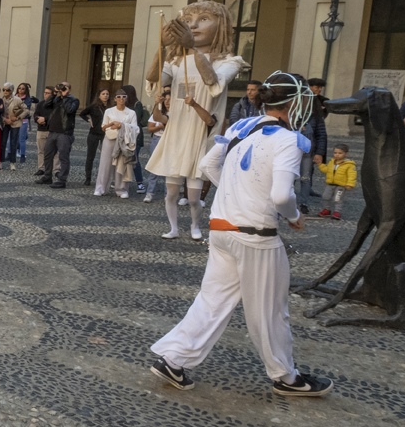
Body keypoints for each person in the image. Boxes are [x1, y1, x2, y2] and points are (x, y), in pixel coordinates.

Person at [150, 71, 332, 397]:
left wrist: (236, 192)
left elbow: (208, 165)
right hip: (255, 235)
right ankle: (286, 377)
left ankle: (174, 358)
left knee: (212, 301)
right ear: (293, 103)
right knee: (270, 310)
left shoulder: (240, 126)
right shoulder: (288, 139)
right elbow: (281, 196)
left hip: (221, 227)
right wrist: (294, 216)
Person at [145, 0, 248, 241]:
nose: (193, 24)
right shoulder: (176, 61)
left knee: (193, 197)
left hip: (201, 135)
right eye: (188, 20)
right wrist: (161, 47)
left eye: (203, 19)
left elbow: (213, 82)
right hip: (176, 134)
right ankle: (172, 227)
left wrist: (193, 49)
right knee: (170, 193)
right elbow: (154, 77)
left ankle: (194, 225)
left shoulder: (229, 61)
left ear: (221, 25)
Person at [94, 90, 139, 198]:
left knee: (122, 164)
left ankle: (122, 189)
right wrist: (112, 124)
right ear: (115, 99)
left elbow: (136, 128)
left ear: (126, 98)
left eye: (124, 96)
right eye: (118, 96)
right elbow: (103, 127)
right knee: (105, 164)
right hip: (110, 139)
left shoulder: (131, 113)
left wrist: (121, 126)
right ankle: (101, 188)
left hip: (124, 141)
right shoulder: (109, 111)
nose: (121, 98)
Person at [39, 82, 79, 188]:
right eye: (60, 86)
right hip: (52, 132)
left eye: (64, 87)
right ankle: (47, 176)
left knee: (63, 157)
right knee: (47, 155)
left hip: (64, 134)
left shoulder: (74, 100)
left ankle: (62, 180)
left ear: (69, 89)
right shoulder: (56, 99)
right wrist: (54, 93)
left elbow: (69, 110)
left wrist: (65, 96)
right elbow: (46, 105)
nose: (62, 88)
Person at [300, 77, 329, 208]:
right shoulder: (294, 110)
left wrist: (319, 152)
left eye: (320, 87)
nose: (319, 90)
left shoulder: (318, 107)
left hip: (309, 150)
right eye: (316, 87)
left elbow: (321, 132)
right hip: (293, 149)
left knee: (306, 176)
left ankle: (302, 203)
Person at [144, 87, 171, 203]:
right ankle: (150, 192)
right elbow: (150, 128)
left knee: (168, 168)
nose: (168, 102)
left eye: (170, 100)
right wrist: (159, 127)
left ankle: (168, 195)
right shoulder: (158, 111)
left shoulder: (177, 114)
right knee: (154, 166)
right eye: (166, 99)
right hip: (157, 139)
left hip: (170, 141)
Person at [316, 144, 356, 220]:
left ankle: (337, 211)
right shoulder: (332, 162)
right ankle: (326, 209)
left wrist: (350, 184)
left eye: (340, 153)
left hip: (341, 185)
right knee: (325, 197)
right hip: (330, 184)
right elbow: (327, 170)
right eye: (335, 153)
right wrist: (320, 165)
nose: (337, 155)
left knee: (337, 199)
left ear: (346, 154)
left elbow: (352, 175)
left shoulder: (349, 165)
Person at [79, 88, 110, 185]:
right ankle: (88, 178)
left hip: (106, 135)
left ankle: (103, 179)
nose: (105, 95)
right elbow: (82, 113)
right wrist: (89, 120)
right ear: (99, 95)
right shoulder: (93, 107)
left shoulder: (111, 108)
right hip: (94, 134)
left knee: (106, 157)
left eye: (107, 94)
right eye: (103, 94)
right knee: (90, 157)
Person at [33, 86, 55, 176]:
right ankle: (41, 168)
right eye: (44, 92)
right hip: (41, 129)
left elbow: (54, 116)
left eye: (47, 93)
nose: (45, 94)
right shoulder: (40, 104)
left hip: (51, 130)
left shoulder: (55, 105)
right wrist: (37, 119)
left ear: (52, 94)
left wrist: (45, 119)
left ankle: (55, 169)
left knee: (53, 151)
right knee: (41, 150)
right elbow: (35, 114)